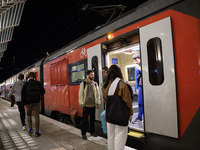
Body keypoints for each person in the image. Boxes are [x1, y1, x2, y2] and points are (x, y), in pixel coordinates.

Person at [102, 65, 133, 150]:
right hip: (120, 116)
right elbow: (128, 101)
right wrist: (130, 113)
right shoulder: (122, 85)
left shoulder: (104, 85)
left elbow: (105, 100)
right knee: (120, 138)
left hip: (110, 116)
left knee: (111, 137)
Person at [21, 72, 45, 137]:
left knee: (28, 115)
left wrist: (24, 104)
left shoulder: (25, 84)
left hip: (28, 103)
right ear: (34, 76)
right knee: (36, 116)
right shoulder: (38, 83)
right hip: (36, 102)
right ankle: (37, 132)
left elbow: (22, 95)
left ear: (28, 77)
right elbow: (43, 91)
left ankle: (30, 129)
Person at [78, 70, 100, 140]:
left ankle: (92, 132)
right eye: (91, 74)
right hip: (86, 105)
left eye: (93, 74)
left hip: (93, 105)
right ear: (87, 75)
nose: (93, 76)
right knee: (84, 120)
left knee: (92, 120)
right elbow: (80, 94)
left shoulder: (95, 84)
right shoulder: (83, 83)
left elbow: (97, 94)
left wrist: (97, 103)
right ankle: (83, 133)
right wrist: (81, 103)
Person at [132, 53, 143, 123]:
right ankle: (139, 117)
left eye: (137, 60)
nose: (136, 61)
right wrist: (136, 88)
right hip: (140, 87)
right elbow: (136, 79)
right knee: (140, 102)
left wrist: (141, 70)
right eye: (135, 60)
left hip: (147, 87)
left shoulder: (144, 65)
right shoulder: (136, 68)